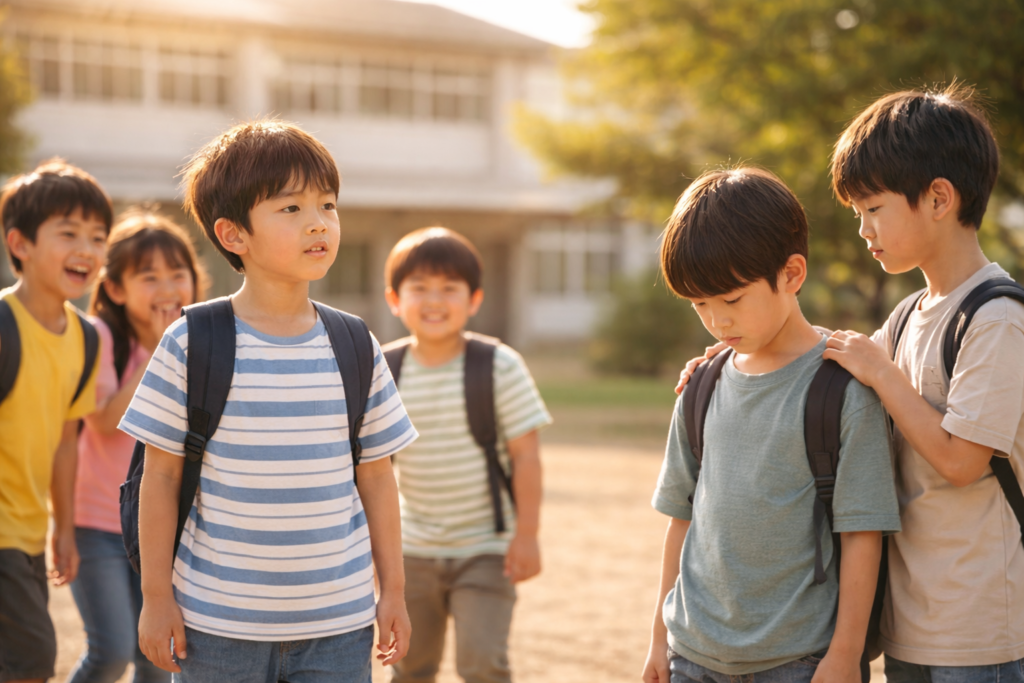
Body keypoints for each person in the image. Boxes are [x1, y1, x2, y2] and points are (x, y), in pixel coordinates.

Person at [117, 120, 418, 683]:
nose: (318, 223)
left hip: (339, 626)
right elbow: (158, 477)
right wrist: (156, 597)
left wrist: (394, 591)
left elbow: (377, 478)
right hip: (215, 627)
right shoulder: (191, 341)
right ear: (233, 235)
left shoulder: (355, 343)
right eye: (290, 209)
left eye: (327, 205)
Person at [643, 168, 900, 683]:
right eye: (700, 305)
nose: (717, 322)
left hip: (799, 662)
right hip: (692, 655)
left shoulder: (842, 389)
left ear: (792, 274)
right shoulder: (700, 386)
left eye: (732, 300)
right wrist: (658, 642)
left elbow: (863, 534)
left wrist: (845, 655)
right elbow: (682, 521)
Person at [822, 87, 1024, 682]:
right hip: (910, 620)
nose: (864, 229)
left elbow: (962, 461)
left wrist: (882, 371)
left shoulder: (998, 318)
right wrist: (734, 350)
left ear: (938, 198)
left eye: (873, 208)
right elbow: (836, 363)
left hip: (979, 629)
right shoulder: (910, 314)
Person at [381, 227, 551, 683]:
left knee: (482, 664)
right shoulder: (383, 369)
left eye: (449, 288)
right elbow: (367, 467)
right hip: (409, 552)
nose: (434, 300)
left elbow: (526, 456)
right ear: (395, 299)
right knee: (410, 667)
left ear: (473, 299)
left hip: (487, 547)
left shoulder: (499, 364)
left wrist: (527, 535)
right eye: (419, 288)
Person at [69, 210, 205, 683]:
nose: (167, 288)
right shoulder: (102, 338)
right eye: (149, 277)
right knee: (112, 649)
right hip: (98, 524)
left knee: (157, 656)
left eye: (177, 274)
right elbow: (105, 420)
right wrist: (162, 353)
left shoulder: (202, 343)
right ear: (116, 289)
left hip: (164, 526)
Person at [0, 159, 111, 683]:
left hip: (25, 532)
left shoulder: (86, 338)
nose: (86, 250)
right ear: (19, 244)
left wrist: (62, 529)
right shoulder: (3, 325)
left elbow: (67, 441)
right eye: (69, 234)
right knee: (34, 659)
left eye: (97, 236)